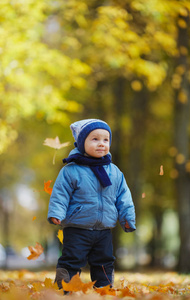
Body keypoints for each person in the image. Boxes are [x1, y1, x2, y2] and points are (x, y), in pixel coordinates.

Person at [47, 118, 136, 291]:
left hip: (103, 230)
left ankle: (103, 290)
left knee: (104, 262)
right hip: (77, 227)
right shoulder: (71, 170)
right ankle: (65, 289)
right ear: (81, 143)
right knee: (72, 260)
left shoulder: (115, 172)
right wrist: (56, 213)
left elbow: (124, 197)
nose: (101, 144)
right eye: (95, 139)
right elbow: (60, 194)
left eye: (105, 140)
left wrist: (127, 218)